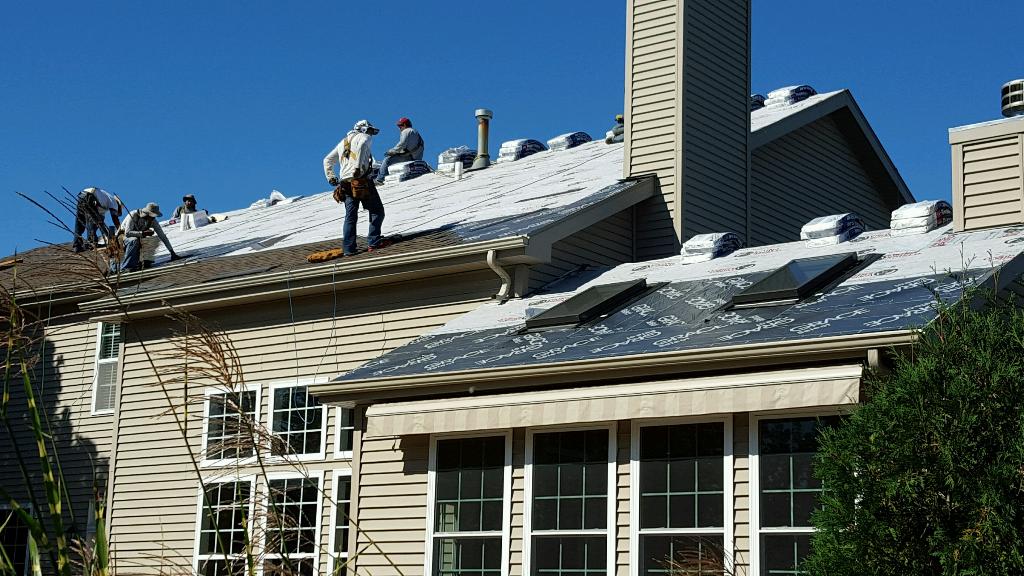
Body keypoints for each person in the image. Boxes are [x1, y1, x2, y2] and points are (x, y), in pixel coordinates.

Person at [324, 120, 392, 256]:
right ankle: (374, 241)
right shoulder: (364, 137)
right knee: (377, 211)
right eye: (370, 131)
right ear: (364, 129)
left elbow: (327, 160)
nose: (371, 135)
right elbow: (361, 145)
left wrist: (331, 176)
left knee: (350, 216)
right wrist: (358, 167)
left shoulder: (343, 143)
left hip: (345, 184)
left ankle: (349, 249)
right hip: (361, 181)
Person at [119, 202, 181, 272]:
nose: (153, 218)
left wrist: (172, 252)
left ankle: (144, 261)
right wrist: (142, 233)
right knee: (134, 240)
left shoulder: (152, 220)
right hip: (122, 238)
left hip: (136, 238)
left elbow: (162, 236)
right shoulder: (133, 215)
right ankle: (126, 267)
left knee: (152, 240)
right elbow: (127, 233)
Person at [72, 187, 124, 253]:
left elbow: (99, 217)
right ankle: (92, 242)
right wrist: (120, 230)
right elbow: (114, 218)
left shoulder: (104, 202)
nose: (117, 213)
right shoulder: (114, 202)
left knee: (80, 222)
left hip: (82, 196)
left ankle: (77, 246)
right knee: (96, 221)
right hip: (90, 197)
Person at [374, 117, 424, 184]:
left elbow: (401, 144)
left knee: (387, 160)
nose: (399, 128)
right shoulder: (415, 132)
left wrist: (391, 151)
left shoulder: (406, 131)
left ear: (405, 125)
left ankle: (380, 179)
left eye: (400, 126)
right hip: (416, 157)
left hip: (409, 157)